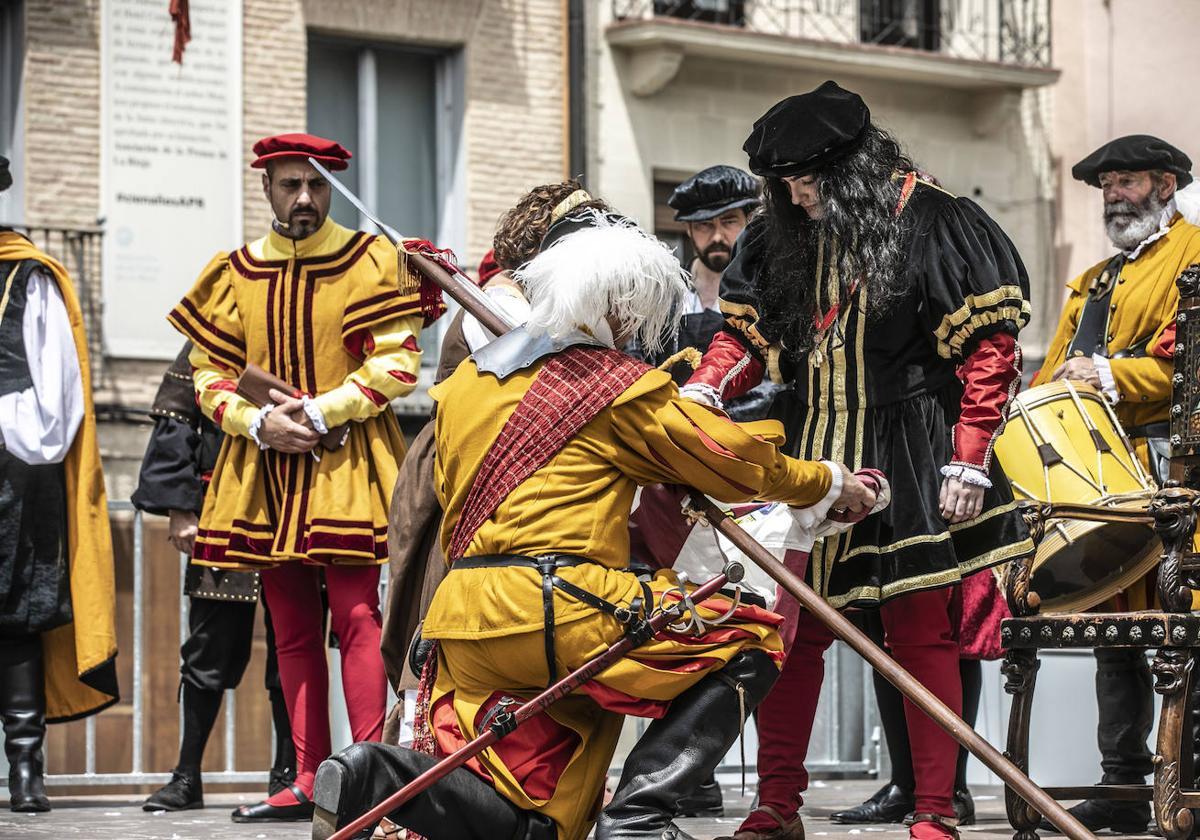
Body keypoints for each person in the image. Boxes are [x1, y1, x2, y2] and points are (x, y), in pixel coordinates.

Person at [309, 204, 880, 840]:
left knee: (544, 820)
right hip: (565, 608)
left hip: (463, 619)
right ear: (611, 304)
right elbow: (727, 459)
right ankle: (640, 816)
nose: (634, 326)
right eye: (630, 312)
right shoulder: (615, 386)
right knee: (750, 634)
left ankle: (375, 774)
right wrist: (827, 480)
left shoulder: (467, 384)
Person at [682, 80, 1035, 840]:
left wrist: (969, 457)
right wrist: (709, 384)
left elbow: (989, 349)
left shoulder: (938, 221)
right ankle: (778, 803)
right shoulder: (780, 231)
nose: (798, 196)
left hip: (911, 444)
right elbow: (747, 334)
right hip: (810, 444)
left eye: (810, 182)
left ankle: (935, 810)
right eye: (785, 185)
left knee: (917, 629)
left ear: (853, 172)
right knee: (790, 626)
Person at [166, 133, 444, 822]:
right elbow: (205, 377)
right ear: (265, 188)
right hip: (261, 467)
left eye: (315, 185)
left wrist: (319, 411)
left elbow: (397, 364)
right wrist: (256, 423)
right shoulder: (232, 271)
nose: (304, 198)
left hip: (346, 459)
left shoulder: (370, 259)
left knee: (356, 618)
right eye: (290, 185)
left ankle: (372, 778)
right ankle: (310, 778)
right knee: (288, 627)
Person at [1032, 135, 1200, 834]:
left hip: (1177, 476)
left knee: (1182, 630)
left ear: (1166, 185)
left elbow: (1187, 371)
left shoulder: (1193, 257)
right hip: (1102, 478)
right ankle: (1121, 783)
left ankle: (1184, 785)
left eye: (1126, 181)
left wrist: (1108, 375)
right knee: (1115, 633)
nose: (1113, 196)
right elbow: (1053, 375)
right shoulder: (1093, 281)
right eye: (1106, 186)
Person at [130, 341, 296, 811]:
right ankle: (187, 777)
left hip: (298, 515)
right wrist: (181, 508)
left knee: (292, 653)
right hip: (222, 515)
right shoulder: (210, 336)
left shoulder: (305, 320)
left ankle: (287, 777)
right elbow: (176, 420)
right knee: (207, 649)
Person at [0, 154, 119, 812]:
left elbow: (55, 398)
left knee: (15, 616)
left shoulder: (27, 277)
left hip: (13, 473)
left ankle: (25, 773)